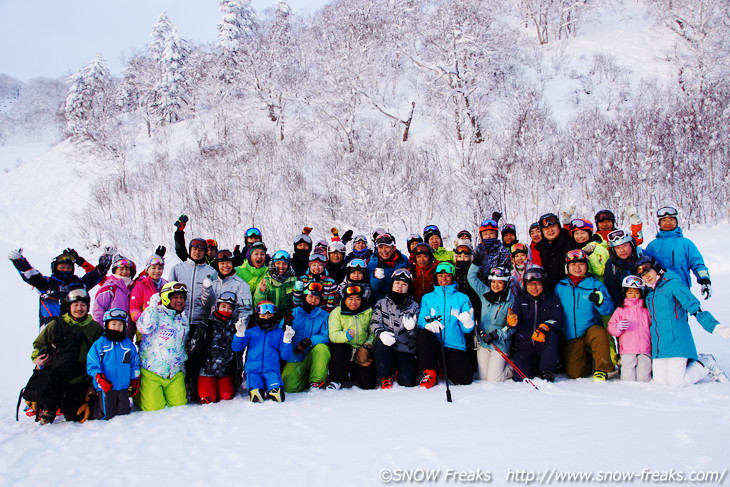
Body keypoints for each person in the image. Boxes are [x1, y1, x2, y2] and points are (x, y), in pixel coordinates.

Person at [634, 256, 730, 386]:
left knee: (677, 383)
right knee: (660, 383)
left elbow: (694, 306)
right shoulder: (649, 293)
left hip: (677, 340)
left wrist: (713, 326)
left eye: (648, 271)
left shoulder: (673, 284)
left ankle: (706, 362)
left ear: (656, 268)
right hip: (659, 344)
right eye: (643, 275)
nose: (647, 277)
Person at [28, 288, 103, 424]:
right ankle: (49, 407)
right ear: (69, 306)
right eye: (75, 305)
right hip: (56, 376)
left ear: (87, 307)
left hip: (80, 378)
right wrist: (36, 358)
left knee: (75, 416)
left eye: (83, 305)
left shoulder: (95, 328)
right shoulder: (56, 325)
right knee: (46, 386)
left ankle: (67, 404)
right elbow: (38, 344)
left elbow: (103, 353)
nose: (79, 309)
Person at [9, 248, 109, 328]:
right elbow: (30, 274)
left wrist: (105, 262)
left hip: (77, 329)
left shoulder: (79, 284)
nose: (65, 270)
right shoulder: (45, 283)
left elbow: (96, 275)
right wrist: (19, 261)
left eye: (68, 267)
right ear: (55, 268)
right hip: (51, 331)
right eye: (62, 267)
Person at [554, 250, 615, 381]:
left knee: (598, 333)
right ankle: (588, 360)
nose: (577, 268)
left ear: (586, 266)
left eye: (581, 264)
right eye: (573, 264)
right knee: (574, 373)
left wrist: (600, 302)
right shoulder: (560, 287)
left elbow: (608, 309)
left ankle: (602, 369)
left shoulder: (595, 285)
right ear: (567, 267)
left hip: (590, 330)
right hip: (571, 334)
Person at [416, 262, 475, 388]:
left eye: (447, 275)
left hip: (454, 344)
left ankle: (443, 367)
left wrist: (468, 322)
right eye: (441, 275)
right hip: (434, 343)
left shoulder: (462, 298)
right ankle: (430, 372)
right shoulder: (427, 298)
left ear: (452, 277)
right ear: (436, 277)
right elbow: (421, 320)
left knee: (464, 379)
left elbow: (467, 330)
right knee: (423, 335)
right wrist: (428, 325)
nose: (444, 278)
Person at [135, 281, 189, 411]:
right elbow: (144, 328)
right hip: (152, 371)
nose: (179, 300)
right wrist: (152, 307)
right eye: (175, 297)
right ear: (166, 297)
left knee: (180, 406)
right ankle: (140, 395)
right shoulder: (156, 313)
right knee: (154, 408)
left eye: (182, 297)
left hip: (174, 373)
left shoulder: (183, 318)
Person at [509, 267, 563, 382]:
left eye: (538, 284)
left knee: (552, 335)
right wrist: (512, 321)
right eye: (530, 284)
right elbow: (515, 319)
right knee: (519, 378)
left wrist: (544, 327)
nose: (534, 287)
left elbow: (556, 318)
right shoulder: (520, 299)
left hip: (544, 342)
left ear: (543, 284)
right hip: (525, 343)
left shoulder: (551, 299)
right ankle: (532, 366)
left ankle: (547, 369)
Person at [645, 207, 712, 298]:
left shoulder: (685, 243)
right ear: (659, 223)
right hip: (658, 291)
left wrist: (705, 280)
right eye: (664, 220)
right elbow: (644, 268)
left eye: (671, 220)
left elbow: (697, 263)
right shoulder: (652, 245)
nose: (667, 223)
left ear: (676, 222)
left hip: (681, 289)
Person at [86, 308, 140, 420]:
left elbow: (134, 363)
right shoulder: (100, 343)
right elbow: (92, 363)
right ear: (107, 325)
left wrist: (134, 379)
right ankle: (92, 407)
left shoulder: (127, 344)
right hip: (106, 385)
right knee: (107, 415)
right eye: (113, 324)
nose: (117, 327)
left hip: (123, 385)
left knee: (124, 413)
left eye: (120, 324)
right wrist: (99, 378)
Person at [371, 269, 420, 388]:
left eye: (404, 284)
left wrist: (412, 329)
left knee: (408, 382)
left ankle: (400, 369)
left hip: (406, 347)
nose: (400, 287)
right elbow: (374, 323)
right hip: (387, 346)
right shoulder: (381, 303)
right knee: (380, 345)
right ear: (392, 284)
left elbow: (418, 334)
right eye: (397, 283)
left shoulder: (414, 306)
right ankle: (385, 375)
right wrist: (381, 333)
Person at [188, 292, 239, 403]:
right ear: (218, 306)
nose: (226, 310)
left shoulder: (235, 326)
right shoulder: (207, 324)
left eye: (230, 308)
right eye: (223, 306)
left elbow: (238, 351)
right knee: (208, 399)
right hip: (207, 370)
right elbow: (193, 349)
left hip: (225, 370)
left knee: (226, 397)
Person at [232, 301, 287, 402]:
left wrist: (287, 342)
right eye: (263, 315)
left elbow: (285, 356)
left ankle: (270, 387)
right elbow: (236, 348)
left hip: (272, 371)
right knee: (256, 397)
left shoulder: (279, 333)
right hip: (253, 371)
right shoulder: (251, 332)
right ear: (258, 315)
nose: (266, 318)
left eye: (270, 315)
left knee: (278, 397)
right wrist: (239, 334)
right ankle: (257, 388)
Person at [281, 283, 332, 392]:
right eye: (310, 297)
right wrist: (285, 326)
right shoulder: (293, 313)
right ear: (305, 296)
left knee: (322, 348)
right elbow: (279, 335)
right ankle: (306, 376)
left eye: (317, 298)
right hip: (296, 355)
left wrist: (310, 341)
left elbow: (326, 335)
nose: (313, 301)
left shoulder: (324, 316)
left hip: (313, 353)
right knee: (289, 386)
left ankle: (316, 381)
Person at [468, 266, 514, 382]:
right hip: (483, 342)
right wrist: (476, 262)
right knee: (483, 378)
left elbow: (513, 327)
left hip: (499, 344)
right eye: (493, 282)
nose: (495, 285)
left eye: (500, 282)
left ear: (506, 283)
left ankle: (513, 365)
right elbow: (471, 277)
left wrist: (497, 335)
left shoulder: (511, 301)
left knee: (493, 379)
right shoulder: (485, 293)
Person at [327, 285, 376, 390]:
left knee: (368, 385)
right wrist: (346, 335)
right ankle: (336, 379)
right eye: (350, 299)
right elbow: (333, 335)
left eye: (357, 299)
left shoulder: (368, 311)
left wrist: (366, 347)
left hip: (362, 349)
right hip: (346, 349)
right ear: (345, 299)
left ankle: (355, 372)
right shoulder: (337, 313)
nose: (354, 302)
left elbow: (373, 332)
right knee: (340, 348)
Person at [606, 276, 652, 382]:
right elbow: (611, 328)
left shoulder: (646, 310)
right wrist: (617, 327)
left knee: (644, 377)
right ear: (625, 293)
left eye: (637, 292)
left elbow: (652, 325)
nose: (633, 295)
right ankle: (627, 394)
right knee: (628, 377)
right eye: (630, 292)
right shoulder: (621, 310)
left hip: (644, 348)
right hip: (627, 349)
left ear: (641, 293)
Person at [168, 237, 216, 325]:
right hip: (179, 320)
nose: (197, 252)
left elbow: (214, 300)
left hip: (201, 321)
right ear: (190, 250)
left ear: (205, 252)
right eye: (195, 249)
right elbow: (169, 294)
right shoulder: (178, 268)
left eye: (201, 250)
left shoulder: (211, 272)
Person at [201, 249, 253, 323]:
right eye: (222, 263)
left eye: (228, 262)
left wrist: (241, 326)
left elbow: (246, 309)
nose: (225, 266)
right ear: (218, 265)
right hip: (214, 327)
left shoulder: (241, 285)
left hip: (232, 328)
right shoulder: (214, 284)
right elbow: (207, 304)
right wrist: (206, 289)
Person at [603, 229, 651, 305]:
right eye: (617, 248)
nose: (621, 250)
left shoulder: (645, 256)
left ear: (631, 245)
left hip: (648, 302)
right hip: (626, 305)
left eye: (624, 246)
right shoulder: (611, 265)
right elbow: (612, 290)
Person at [92, 256, 136, 337]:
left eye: (127, 269)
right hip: (110, 334)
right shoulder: (109, 288)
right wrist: (103, 331)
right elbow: (98, 311)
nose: (124, 272)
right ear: (115, 271)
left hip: (127, 335)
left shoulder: (132, 287)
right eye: (121, 269)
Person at [534, 213, 574, 291]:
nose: (550, 230)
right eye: (546, 228)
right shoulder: (540, 248)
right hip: (549, 293)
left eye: (553, 226)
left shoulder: (570, 244)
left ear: (558, 227)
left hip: (568, 290)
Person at [368, 233, 410, 304]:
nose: (384, 250)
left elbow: (409, 282)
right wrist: (378, 278)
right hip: (379, 299)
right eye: (380, 247)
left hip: (400, 298)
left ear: (394, 248)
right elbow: (374, 287)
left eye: (387, 247)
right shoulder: (373, 262)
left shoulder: (403, 260)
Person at [255, 249, 297, 318]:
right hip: (269, 316)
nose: (281, 266)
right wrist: (262, 293)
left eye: (285, 263)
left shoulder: (293, 280)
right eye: (278, 263)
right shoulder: (267, 280)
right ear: (273, 264)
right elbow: (257, 303)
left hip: (287, 317)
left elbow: (296, 301)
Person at [130, 254, 167, 328]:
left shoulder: (166, 285)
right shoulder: (140, 286)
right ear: (147, 269)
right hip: (145, 326)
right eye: (153, 268)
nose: (157, 271)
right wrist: (142, 321)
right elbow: (134, 308)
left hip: (163, 327)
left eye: (160, 268)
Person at [473, 218, 512, 284]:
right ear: (481, 235)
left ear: (496, 234)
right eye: (485, 234)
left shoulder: (502, 250)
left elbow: (503, 271)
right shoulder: (477, 250)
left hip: (496, 286)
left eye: (491, 233)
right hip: (479, 286)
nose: (488, 236)